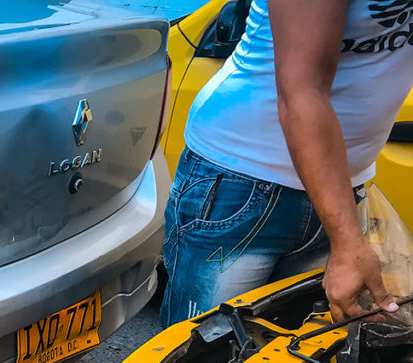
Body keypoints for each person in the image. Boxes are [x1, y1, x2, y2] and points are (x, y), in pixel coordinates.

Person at [161, 0, 413, 327]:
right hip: (240, 184)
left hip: (340, 187)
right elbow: (301, 91)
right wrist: (348, 243)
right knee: (207, 360)